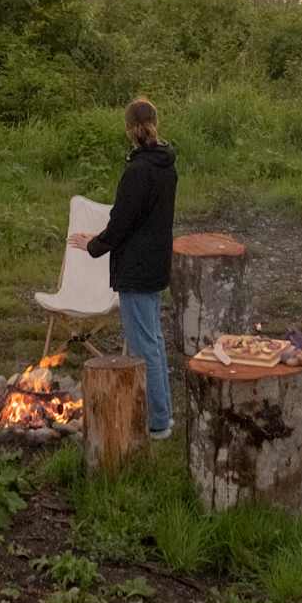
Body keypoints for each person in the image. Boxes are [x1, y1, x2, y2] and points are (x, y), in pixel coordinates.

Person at [68, 96, 177, 440]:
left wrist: (94, 245)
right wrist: (102, 236)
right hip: (155, 262)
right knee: (153, 341)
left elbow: (122, 223)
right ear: (155, 123)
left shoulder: (138, 171)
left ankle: (157, 422)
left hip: (137, 267)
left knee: (144, 345)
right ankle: (163, 415)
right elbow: (137, 219)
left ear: (129, 129)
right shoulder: (166, 165)